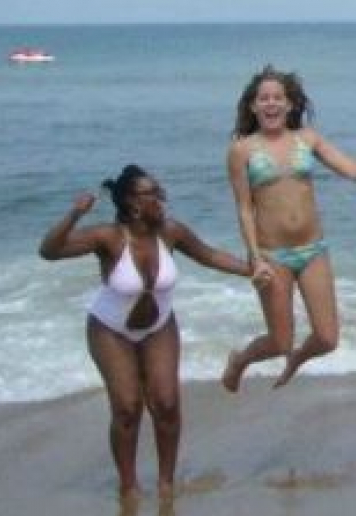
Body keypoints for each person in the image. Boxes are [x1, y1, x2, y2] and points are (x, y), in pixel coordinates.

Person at [39, 165, 260, 498]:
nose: (160, 199)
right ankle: (128, 486)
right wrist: (74, 215)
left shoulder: (171, 232)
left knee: (167, 404)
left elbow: (210, 255)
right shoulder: (108, 237)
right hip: (110, 330)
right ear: (132, 202)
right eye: (151, 194)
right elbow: (49, 251)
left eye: (160, 192)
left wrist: (253, 270)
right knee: (127, 409)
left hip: (159, 327)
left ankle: (166, 483)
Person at [223, 65, 356, 392]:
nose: (271, 103)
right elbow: (245, 209)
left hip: (313, 251)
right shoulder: (242, 150)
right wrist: (255, 258)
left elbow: (354, 171)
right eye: (264, 98)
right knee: (279, 342)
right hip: (272, 256)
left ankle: (297, 359)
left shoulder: (307, 139)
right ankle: (240, 359)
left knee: (327, 338)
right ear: (253, 106)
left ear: (289, 104)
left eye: (277, 98)